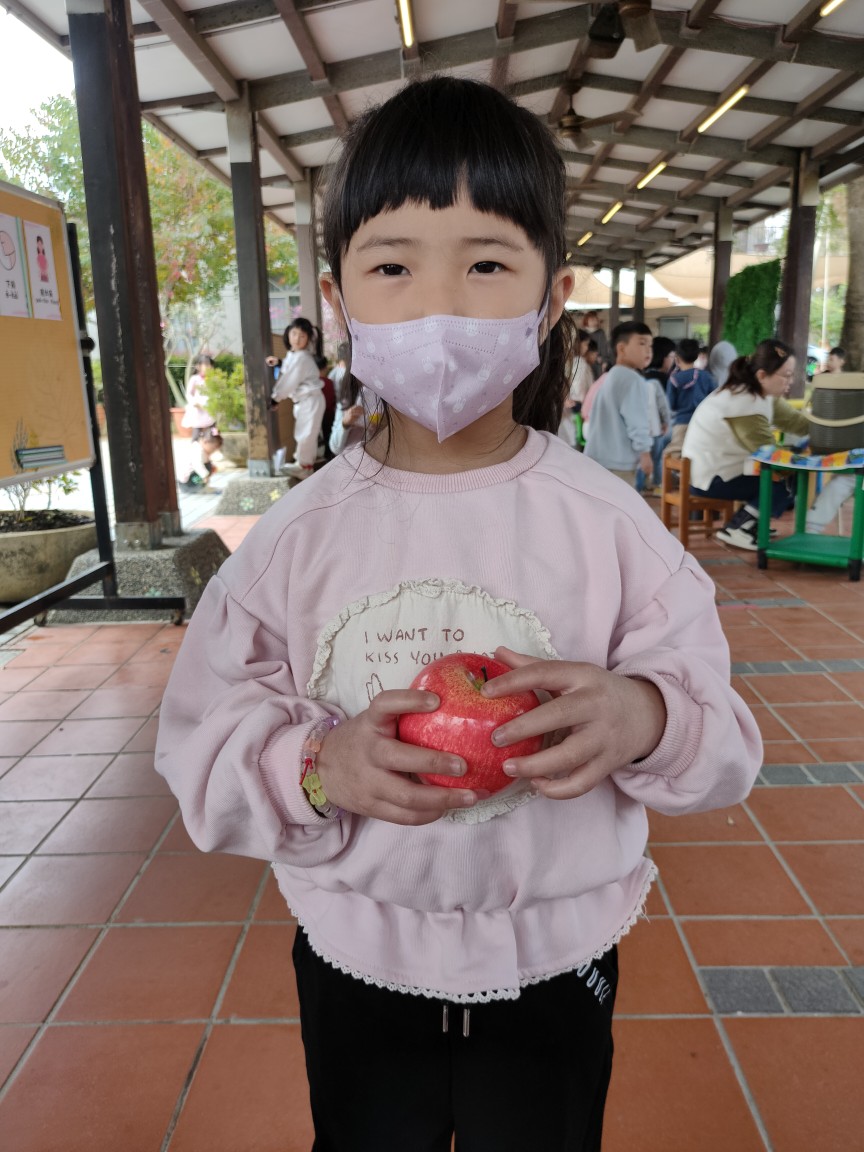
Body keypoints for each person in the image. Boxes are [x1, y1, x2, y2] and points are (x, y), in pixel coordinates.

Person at [155, 76, 761, 1152]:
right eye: (393, 267)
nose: (439, 307)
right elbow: (200, 743)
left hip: (555, 959)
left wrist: (647, 717)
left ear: (551, 295)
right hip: (357, 954)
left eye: (486, 265)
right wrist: (316, 767)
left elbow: (725, 744)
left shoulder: (611, 527)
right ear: (338, 298)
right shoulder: (296, 539)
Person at [682, 339, 809, 551]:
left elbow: (797, 423)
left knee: (783, 474)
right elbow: (769, 455)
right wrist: (801, 457)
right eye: (786, 375)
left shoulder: (757, 393)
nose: (791, 381)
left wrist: (833, 429)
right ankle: (739, 527)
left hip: (717, 470)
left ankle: (753, 522)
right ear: (762, 375)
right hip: (711, 478)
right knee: (785, 481)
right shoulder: (744, 403)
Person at [583, 320, 655, 486]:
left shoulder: (612, 376)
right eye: (642, 343)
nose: (648, 350)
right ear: (621, 348)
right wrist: (645, 452)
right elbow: (637, 421)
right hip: (619, 464)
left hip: (597, 458)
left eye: (650, 345)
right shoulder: (632, 379)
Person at [271, 318, 327, 480]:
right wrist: (279, 362)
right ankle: (304, 466)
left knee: (306, 435)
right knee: (306, 434)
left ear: (308, 339)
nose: (296, 338)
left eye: (302, 336)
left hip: (309, 401)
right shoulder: (297, 355)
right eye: (294, 333)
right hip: (307, 401)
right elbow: (290, 367)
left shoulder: (302, 357)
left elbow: (290, 379)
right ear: (288, 333)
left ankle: (304, 467)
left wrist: (275, 399)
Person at [665, 337, 717, 457]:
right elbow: (715, 398)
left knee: (675, 455)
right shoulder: (706, 376)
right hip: (702, 422)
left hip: (681, 422)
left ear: (677, 357)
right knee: (698, 454)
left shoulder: (674, 379)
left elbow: (670, 404)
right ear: (697, 356)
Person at [638, 336, 674, 493]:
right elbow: (665, 407)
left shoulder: (641, 378)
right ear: (663, 357)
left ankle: (641, 487)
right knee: (657, 458)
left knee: (641, 460)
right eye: (672, 356)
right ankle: (657, 485)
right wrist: (666, 422)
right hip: (656, 428)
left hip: (642, 429)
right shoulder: (661, 381)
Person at [181, 355, 216, 441]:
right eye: (205, 365)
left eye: (209, 365)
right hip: (198, 407)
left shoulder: (214, 379)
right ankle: (195, 441)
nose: (208, 367)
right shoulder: (194, 379)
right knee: (197, 430)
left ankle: (209, 443)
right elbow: (189, 393)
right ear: (198, 366)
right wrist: (194, 403)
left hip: (210, 407)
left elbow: (217, 392)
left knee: (211, 430)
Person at [581, 310, 609, 376]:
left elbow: (603, 347)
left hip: (598, 360)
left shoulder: (600, 333)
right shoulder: (582, 333)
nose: (593, 321)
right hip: (585, 360)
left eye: (595, 319)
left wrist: (604, 360)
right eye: (591, 320)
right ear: (586, 321)